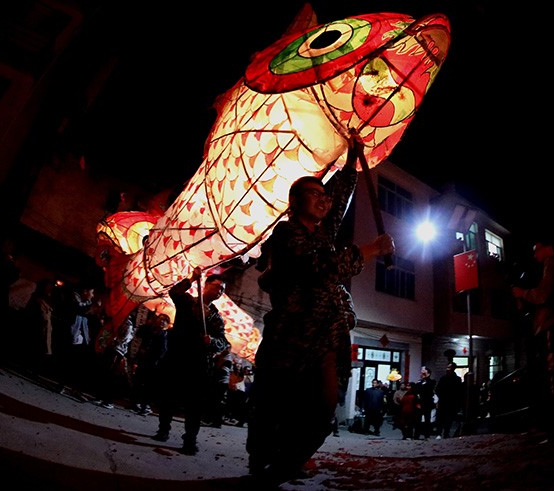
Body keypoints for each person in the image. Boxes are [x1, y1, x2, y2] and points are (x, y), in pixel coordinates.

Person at [246, 133, 396, 486]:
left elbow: (341, 196)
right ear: (294, 202)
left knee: (321, 411)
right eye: (314, 193)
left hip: (324, 342)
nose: (323, 199)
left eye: (323, 195)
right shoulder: (286, 235)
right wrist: (369, 251)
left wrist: (351, 159)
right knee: (273, 407)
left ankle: (282, 468)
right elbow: (319, 268)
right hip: (290, 339)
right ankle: (262, 464)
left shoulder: (323, 235)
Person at [152, 268, 229, 455]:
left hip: (199, 363)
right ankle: (163, 430)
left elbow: (223, 342)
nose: (220, 291)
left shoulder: (216, 318)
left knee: (194, 404)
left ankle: (190, 440)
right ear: (207, 285)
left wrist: (213, 341)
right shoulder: (187, 302)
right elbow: (174, 292)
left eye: (223, 290)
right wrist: (192, 279)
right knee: (168, 397)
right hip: (177, 357)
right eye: (217, 286)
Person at [512, 238, 554, 430]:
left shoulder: (552, 263)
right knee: (553, 369)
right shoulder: (550, 265)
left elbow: (543, 294)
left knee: (553, 369)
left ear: (546, 248)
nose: (534, 256)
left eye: (536, 251)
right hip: (550, 321)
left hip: (552, 322)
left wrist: (522, 294)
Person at [129, 311, 170, 416]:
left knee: (148, 386)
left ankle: (145, 406)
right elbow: (139, 333)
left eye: (165, 321)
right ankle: (135, 403)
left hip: (153, 364)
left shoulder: (164, 335)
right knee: (138, 381)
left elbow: (162, 351)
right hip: (142, 361)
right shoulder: (149, 330)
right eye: (160, 318)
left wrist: (151, 354)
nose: (162, 321)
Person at [435, 362, 464, 439]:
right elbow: (437, 389)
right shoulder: (443, 378)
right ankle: (440, 433)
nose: (447, 369)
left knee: (449, 419)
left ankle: (445, 433)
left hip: (451, 402)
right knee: (441, 418)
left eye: (449, 367)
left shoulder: (457, 379)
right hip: (444, 401)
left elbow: (459, 391)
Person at [416, 366, 437, 439]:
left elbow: (429, 389)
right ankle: (417, 435)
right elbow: (417, 390)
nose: (422, 372)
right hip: (420, 403)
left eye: (424, 371)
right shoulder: (419, 382)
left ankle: (427, 435)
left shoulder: (431, 381)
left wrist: (425, 378)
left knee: (427, 420)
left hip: (427, 403)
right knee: (418, 420)